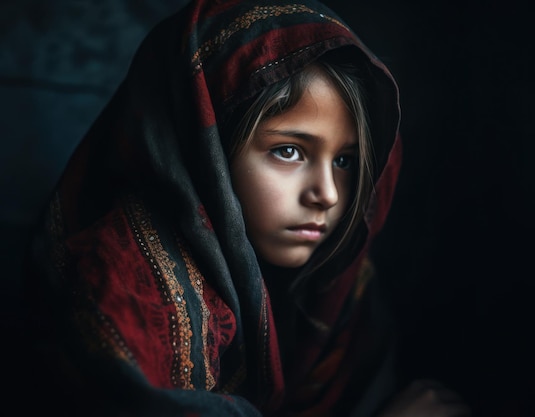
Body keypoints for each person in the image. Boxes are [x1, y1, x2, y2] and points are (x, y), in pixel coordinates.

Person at [20, 0, 471, 416]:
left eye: (345, 161)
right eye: (290, 152)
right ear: (206, 151)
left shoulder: (336, 291)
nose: (329, 194)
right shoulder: (129, 290)